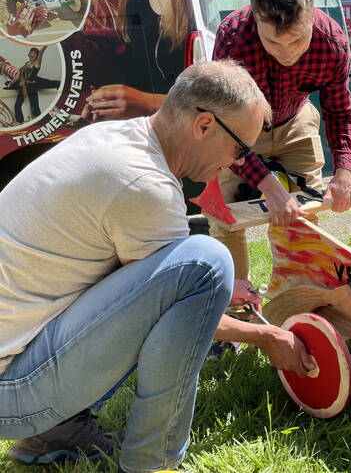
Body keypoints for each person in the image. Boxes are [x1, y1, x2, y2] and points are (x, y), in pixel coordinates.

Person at [0, 60, 316, 472]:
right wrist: (267, 336)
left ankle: (54, 434)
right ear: (204, 125)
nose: (238, 163)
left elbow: (137, 285)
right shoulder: (144, 184)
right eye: (240, 149)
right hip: (14, 390)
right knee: (207, 261)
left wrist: (221, 293)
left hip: (14, 365)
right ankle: (155, 461)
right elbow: (176, 303)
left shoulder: (113, 139)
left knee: (195, 272)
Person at [212, 0, 351, 280]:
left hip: (295, 121)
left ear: (311, 15)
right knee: (225, 219)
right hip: (239, 128)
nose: (286, 53)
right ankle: (239, 307)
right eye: (273, 42)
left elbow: (339, 111)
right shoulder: (233, 39)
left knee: (303, 212)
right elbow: (226, 128)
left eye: (296, 40)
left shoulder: (332, 42)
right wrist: (268, 186)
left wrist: (344, 170)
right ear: (254, 13)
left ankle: (301, 293)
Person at [84, 0, 192, 122]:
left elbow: (211, 99)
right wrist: (107, 104)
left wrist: (148, 103)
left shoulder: (197, 1)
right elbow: (135, 78)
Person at [5, 46, 59, 123]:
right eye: (31, 53)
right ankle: (20, 122)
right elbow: (19, 75)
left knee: (34, 106)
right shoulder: (26, 64)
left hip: (31, 87)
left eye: (34, 53)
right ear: (29, 54)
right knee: (17, 105)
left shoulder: (36, 63)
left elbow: (41, 52)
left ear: (37, 55)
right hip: (23, 86)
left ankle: (39, 122)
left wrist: (46, 44)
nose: (32, 54)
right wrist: (10, 83)